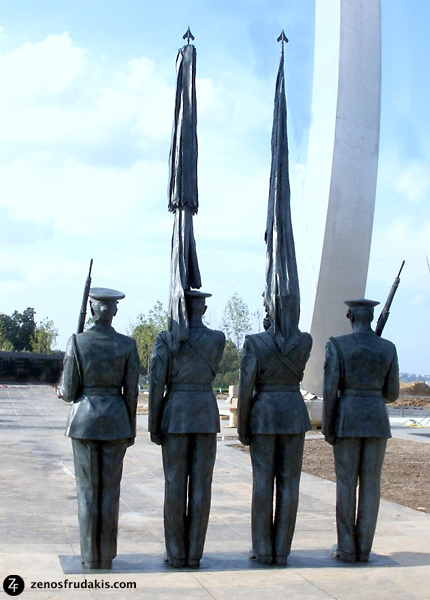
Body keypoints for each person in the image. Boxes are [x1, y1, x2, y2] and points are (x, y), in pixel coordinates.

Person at [59, 288, 140, 570]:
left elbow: (69, 392)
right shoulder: (127, 345)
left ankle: (90, 556)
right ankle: (105, 554)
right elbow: (131, 393)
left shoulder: (77, 342)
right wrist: (130, 428)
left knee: (87, 493)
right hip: (116, 421)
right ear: (114, 311)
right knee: (110, 492)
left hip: (84, 423)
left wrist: (61, 388)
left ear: (92, 310)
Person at [149, 290, 225, 568]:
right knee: (202, 486)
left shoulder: (166, 339)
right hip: (205, 412)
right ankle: (194, 553)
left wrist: (153, 424)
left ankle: (176, 552)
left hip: (176, 414)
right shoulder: (217, 339)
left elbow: (157, 383)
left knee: (175, 484)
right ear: (203, 310)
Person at [323, 299, 399, 563]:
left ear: (350, 316)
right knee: (370, 486)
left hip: (347, 419)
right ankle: (363, 548)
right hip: (377, 420)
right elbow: (391, 393)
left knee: (346, 485)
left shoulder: (337, 345)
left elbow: (330, 391)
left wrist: (328, 426)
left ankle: (347, 547)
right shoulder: (388, 348)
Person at [237, 319, 312, 566]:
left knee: (263, 483)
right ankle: (281, 550)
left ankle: (263, 548)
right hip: (293, 413)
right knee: (290, 484)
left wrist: (243, 424)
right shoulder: (304, 340)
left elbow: (247, 386)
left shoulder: (255, 342)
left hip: (265, 415)